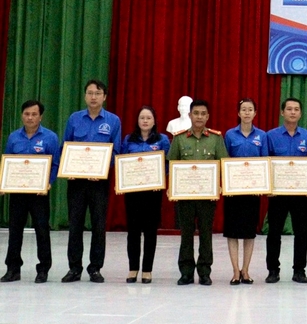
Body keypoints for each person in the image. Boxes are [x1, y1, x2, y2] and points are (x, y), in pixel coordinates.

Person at [62, 79, 122, 284]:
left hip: (99, 182)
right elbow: (66, 146)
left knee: (98, 225)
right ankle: (74, 268)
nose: (93, 97)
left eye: (97, 93)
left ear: (104, 96)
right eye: (90, 93)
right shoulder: (74, 118)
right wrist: (68, 167)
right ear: (85, 96)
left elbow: (116, 151)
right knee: (75, 225)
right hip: (76, 182)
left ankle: (95, 268)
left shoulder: (113, 121)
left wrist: (102, 169)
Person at [166, 99, 228, 285]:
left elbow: (224, 165)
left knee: (206, 234)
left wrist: (220, 185)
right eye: (196, 113)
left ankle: (204, 271)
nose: (199, 117)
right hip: (185, 196)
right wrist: (171, 187)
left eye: (203, 114)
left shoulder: (216, 139)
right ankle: (186, 272)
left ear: (207, 116)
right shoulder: (179, 138)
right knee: (186, 234)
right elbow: (172, 165)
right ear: (190, 115)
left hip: (207, 196)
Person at [1, 100, 60, 284]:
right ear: (22, 115)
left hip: (39, 194)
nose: (30, 118)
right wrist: (3, 183)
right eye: (26, 114)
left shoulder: (50, 137)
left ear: (40, 116)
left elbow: (55, 164)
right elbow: (7, 162)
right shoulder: (13, 137)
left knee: (42, 230)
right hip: (17, 193)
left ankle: (43, 269)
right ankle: (12, 269)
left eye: (34, 114)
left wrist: (49, 183)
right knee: (15, 230)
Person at [264, 97, 307, 284]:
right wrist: (268, 186)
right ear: (282, 112)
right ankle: (273, 270)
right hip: (277, 194)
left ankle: (299, 270)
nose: (293, 112)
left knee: (301, 232)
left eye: (296, 109)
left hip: (301, 194)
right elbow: (265, 163)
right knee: (274, 232)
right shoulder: (271, 136)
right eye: (289, 109)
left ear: (300, 113)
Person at [121, 106, 170, 284]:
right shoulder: (128, 139)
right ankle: (133, 268)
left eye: (149, 118)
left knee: (150, 231)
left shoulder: (162, 140)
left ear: (154, 121)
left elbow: (167, 164)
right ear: (137, 120)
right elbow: (122, 162)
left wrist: (159, 178)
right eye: (142, 117)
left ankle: (147, 270)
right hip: (133, 192)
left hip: (153, 193)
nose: (145, 121)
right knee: (133, 231)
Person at [223, 98, 268, 285]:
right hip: (233, 191)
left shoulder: (262, 136)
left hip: (253, 192)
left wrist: (262, 185)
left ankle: (246, 270)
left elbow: (265, 161)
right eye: (243, 109)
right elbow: (225, 160)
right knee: (232, 232)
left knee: (249, 232)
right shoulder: (229, 135)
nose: (247, 113)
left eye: (250, 109)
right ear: (238, 113)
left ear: (255, 113)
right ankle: (235, 270)